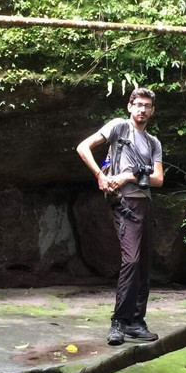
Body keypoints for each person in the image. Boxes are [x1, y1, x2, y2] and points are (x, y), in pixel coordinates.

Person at [76, 88, 164, 346]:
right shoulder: (118, 128)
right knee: (132, 260)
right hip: (124, 204)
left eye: (147, 106)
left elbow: (158, 179)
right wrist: (100, 176)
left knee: (144, 264)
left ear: (152, 111)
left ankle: (137, 322)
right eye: (138, 104)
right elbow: (83, 147)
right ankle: (119, 322)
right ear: (129, 107)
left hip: (144, 204)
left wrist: (127, 176)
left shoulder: (153, 142)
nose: (142, 110)